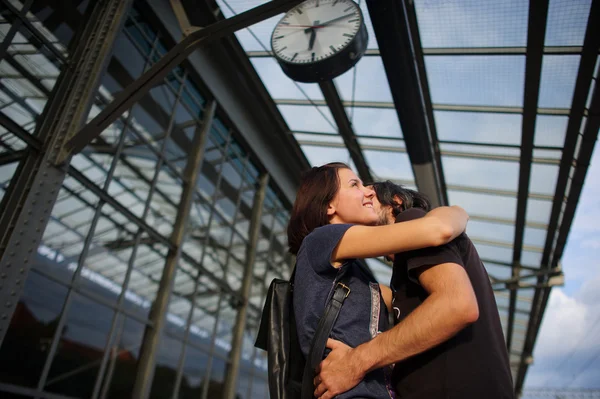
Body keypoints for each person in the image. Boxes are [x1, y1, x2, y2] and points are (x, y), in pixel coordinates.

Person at [313, 180, 514, 399]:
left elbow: (457, 305)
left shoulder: (411, 221)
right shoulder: (404, 272)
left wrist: (355, 362)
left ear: (395, 202)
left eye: (372, 197)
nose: (365, 198)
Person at [288, 163, 469, 399]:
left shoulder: (357, 277)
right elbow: (439, 229)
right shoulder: (321, 239)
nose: (369, 191)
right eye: (355, 185)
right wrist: (458, 212)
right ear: (329, 205)